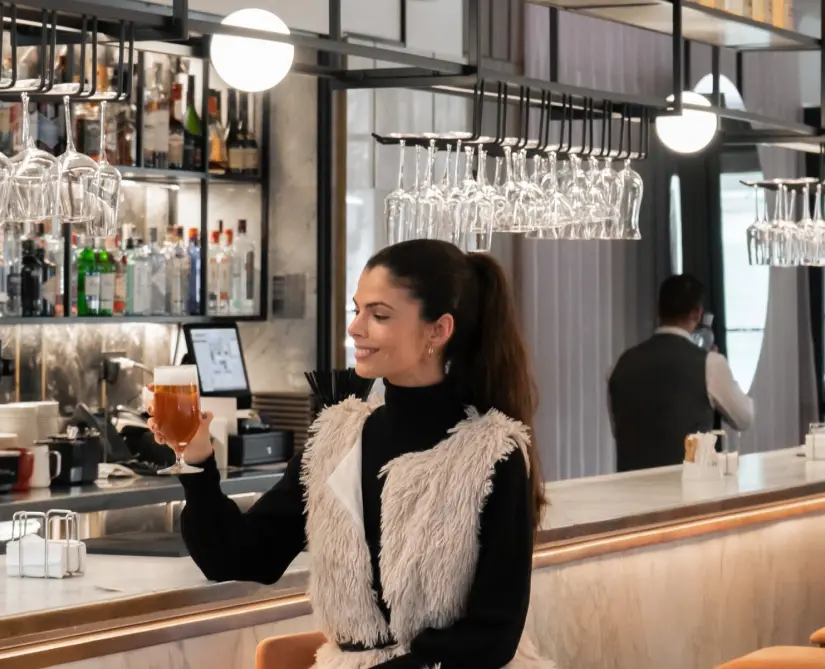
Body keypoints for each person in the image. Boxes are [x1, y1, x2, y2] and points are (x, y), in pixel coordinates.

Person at [148, 239, 554, 669]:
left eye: (378, 315)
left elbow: (492, 635)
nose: (356, 328)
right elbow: (240, 556)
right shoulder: (335, 438)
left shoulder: (493, 453)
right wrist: (196, 461)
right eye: (356, 310)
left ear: (438, 330)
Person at [608, 273, 754, 472]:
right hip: (689, 494)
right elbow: (744, 417)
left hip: (630, 494)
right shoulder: (709, 364)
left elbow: (619, 429)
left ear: (658, 310)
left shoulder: (621, 363)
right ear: (698, 313)